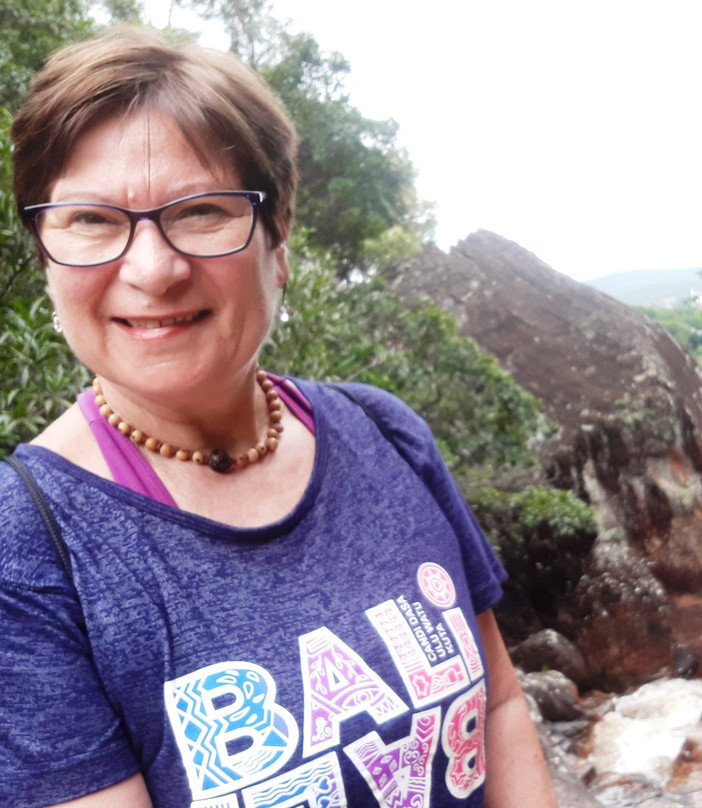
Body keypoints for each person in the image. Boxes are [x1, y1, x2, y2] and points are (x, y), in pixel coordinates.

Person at [0, 27, 557, 808]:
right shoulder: (29, 550)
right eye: (90, 220)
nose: (152, 269)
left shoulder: (384, 435)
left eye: (200, 212)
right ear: (45, 254)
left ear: (280, 233)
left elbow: (498, 704)